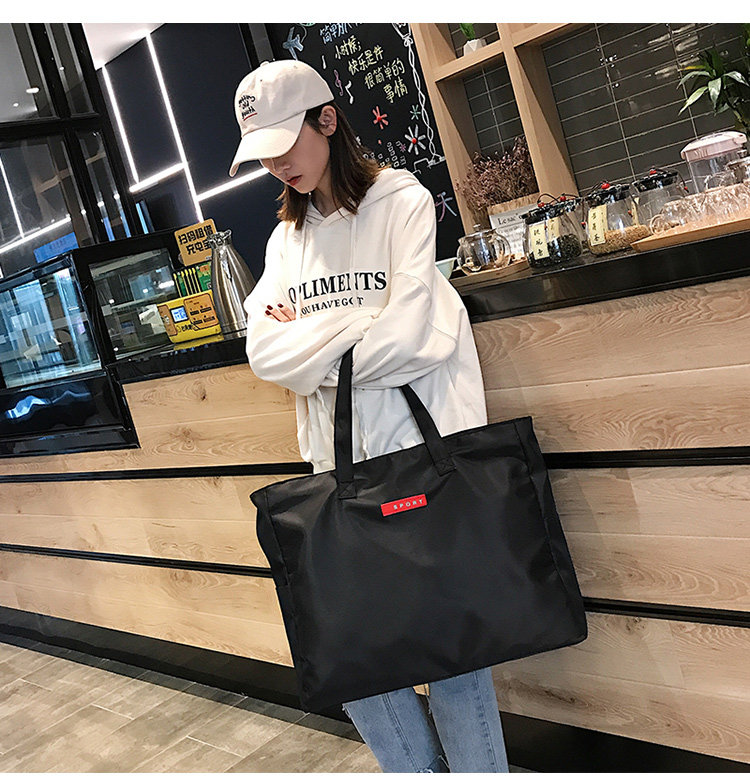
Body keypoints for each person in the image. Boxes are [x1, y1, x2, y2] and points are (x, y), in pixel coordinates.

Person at [229, 59, 510, 774]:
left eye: (285, 143)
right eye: (263, 154)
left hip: (419, 457)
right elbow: (265, 352)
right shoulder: (285, 241)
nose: (277, 165)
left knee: (453, 656)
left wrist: (312, 343)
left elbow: (412, 337)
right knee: (358, 663)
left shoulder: (400, 201)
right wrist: (358, 324)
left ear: (327, 119)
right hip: (338, 471)